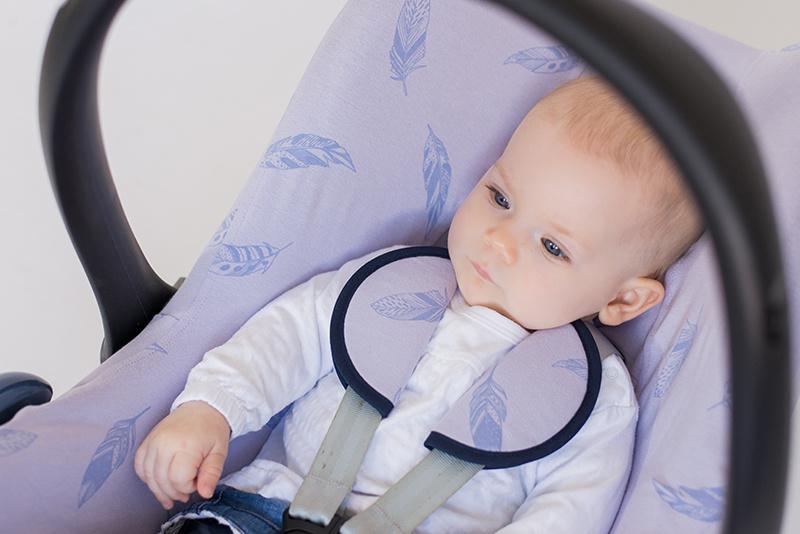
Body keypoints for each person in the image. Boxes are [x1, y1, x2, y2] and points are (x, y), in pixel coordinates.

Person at [135, 75, 703, 533]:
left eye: (553, 247)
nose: (498, 241)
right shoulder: (394, 282)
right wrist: (211, 408)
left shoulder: (593, 397)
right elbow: (288, 336)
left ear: (623, 298)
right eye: (500, 197)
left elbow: (569, 513)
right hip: (263, 510)